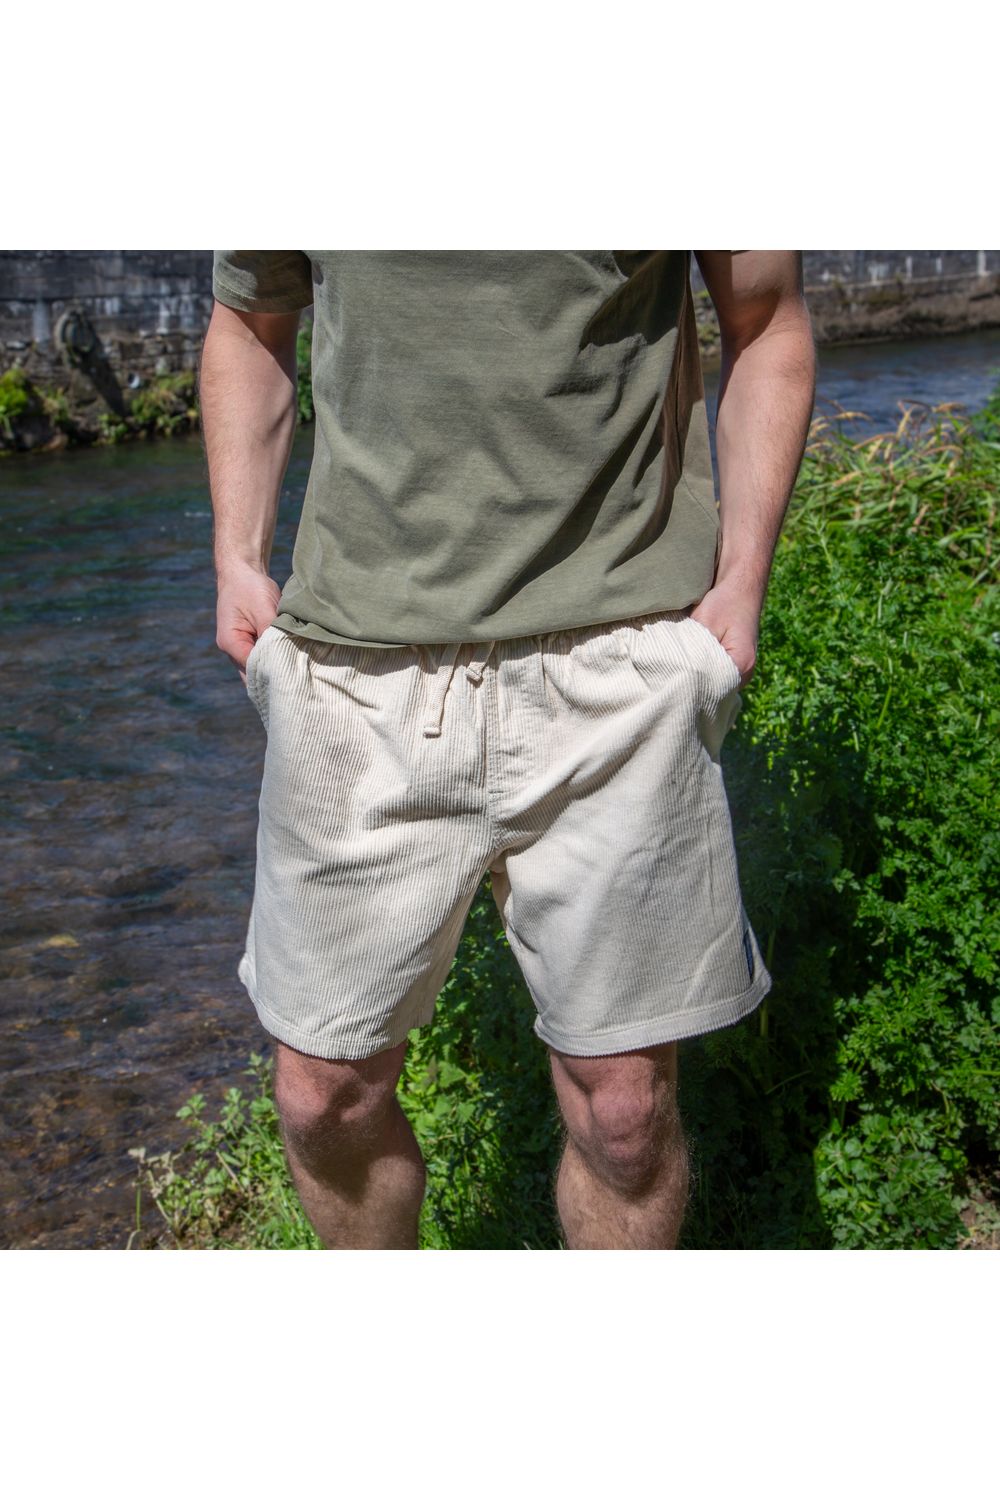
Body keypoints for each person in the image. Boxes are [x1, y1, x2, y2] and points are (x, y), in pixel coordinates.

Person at [200, 250, 816, 1250]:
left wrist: (738, 589)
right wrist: (235, 558)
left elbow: (765, 316)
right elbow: (251, 323)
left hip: (614, 673)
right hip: (356, 674)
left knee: (625, 1117)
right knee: (325, 1097)